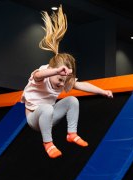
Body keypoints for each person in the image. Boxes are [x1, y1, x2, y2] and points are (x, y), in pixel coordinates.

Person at [21, 5, 113, 159]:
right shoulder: (43, 74)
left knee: (72, 100)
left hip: (50, 118)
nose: (60, 83)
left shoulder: (63, 78)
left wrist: (103, 91)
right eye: (58, 78)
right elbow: (39, 75)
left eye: (63, 80)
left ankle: (71, 133)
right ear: (53, 70)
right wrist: (57, 71)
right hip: (34, 119)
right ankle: (48, 143)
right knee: (46, 108)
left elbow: (82, 85)